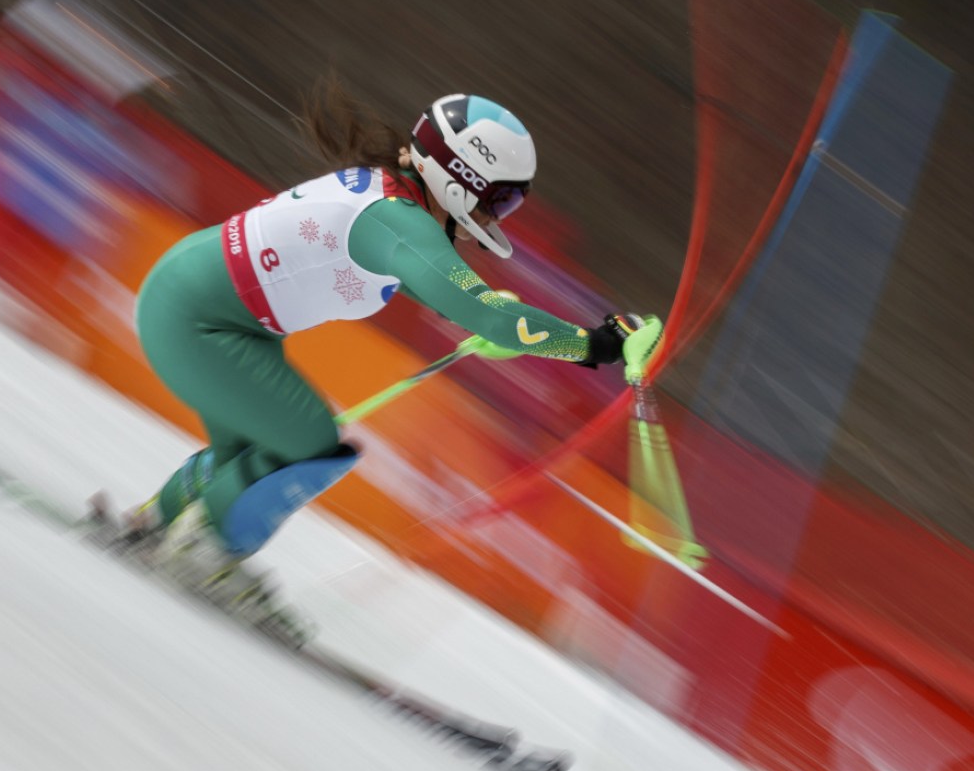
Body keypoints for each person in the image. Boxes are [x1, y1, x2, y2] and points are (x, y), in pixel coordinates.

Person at [107, 79, 652, 622]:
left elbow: (455, 297)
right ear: (462, 180)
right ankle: (206, 554)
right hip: (201, 322)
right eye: (500, 199)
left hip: (196, 306)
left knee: (251, 454)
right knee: (308, 443)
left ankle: (152, 527)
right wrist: (595, 345)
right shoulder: (400, 223)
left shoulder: (392, 199)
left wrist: (489, 315)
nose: (496, 217)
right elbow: (483, 310)